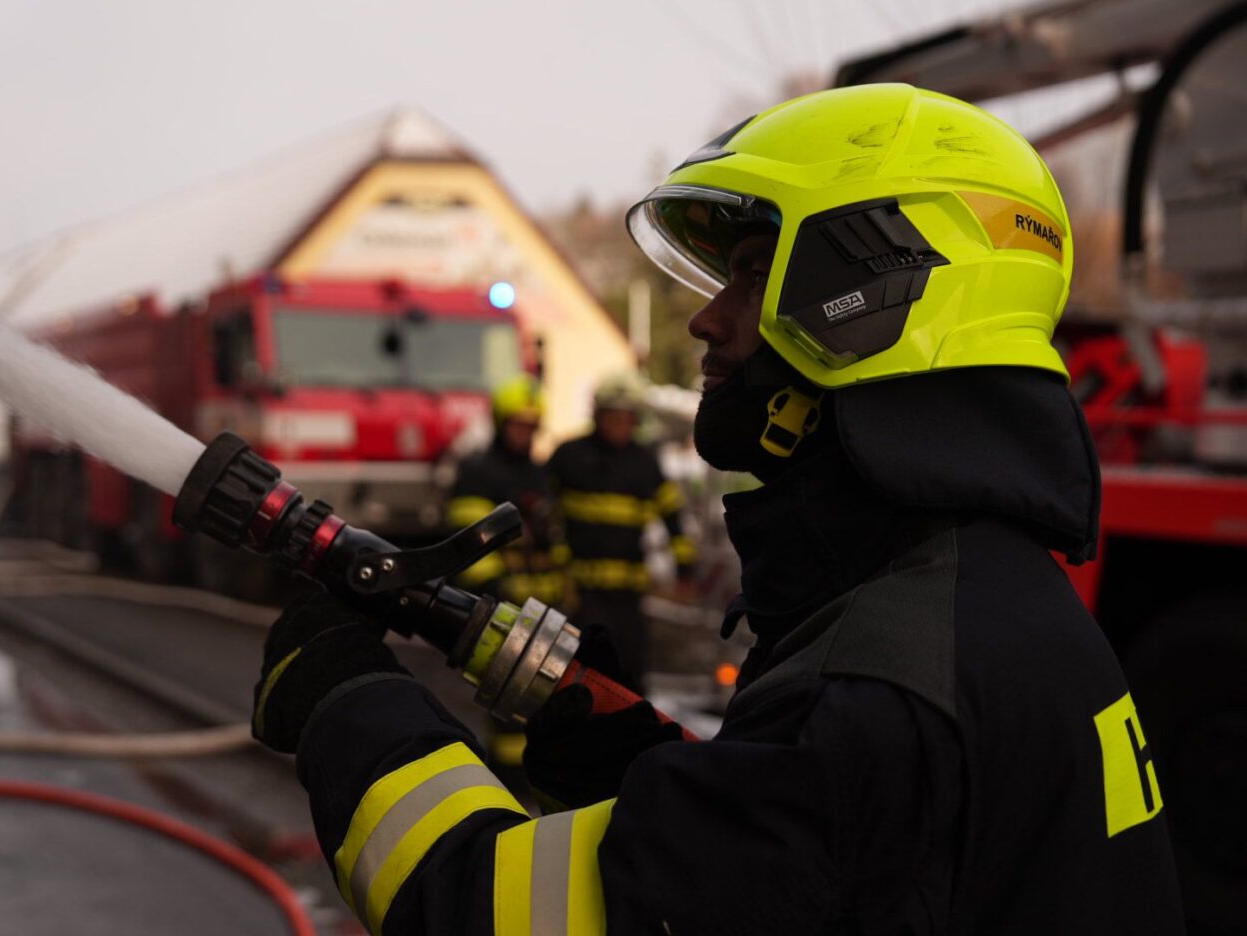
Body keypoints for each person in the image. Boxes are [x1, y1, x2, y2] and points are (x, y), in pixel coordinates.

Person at [248, 84, 1185, 934]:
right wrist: (639, 756)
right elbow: (840, 863)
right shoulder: (980, 594)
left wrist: (347, 699)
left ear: (872, 288)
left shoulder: (878, 692)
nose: (706, 318)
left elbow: (479, 909)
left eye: (749, 273)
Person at [546, 373, 696, 691]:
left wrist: (685, 567)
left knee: (630, 674)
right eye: (612, 417)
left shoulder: (645, 463)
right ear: (598, 416)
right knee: (579, 675)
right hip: (580, 592)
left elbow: (673, 517)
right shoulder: (569, 456)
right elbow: (544, 515)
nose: (619, 425)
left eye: (626, 418)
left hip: (628, 595)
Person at [447, 374, 566, 610]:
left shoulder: (541, 474)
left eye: (531, 426)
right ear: (501, 423)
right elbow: (472, 545)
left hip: (544, 607)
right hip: (493, 604)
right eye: (518, 424)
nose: (525, 432)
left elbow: (556, 539)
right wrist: (495, 593)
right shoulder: (477, 473)